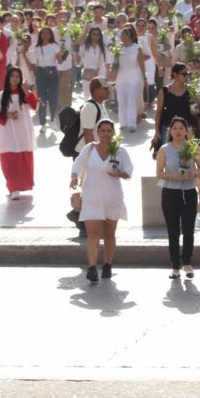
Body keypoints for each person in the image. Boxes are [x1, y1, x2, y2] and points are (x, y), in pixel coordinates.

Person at [71, 119, 133, 282]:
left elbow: (129, 171)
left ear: (113, 133)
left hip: (113, 198)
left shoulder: (120, 151)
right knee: (93, 234)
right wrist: (74, 177)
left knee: (109, 234)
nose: (106, 133)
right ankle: (92, 267)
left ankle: (107, 264)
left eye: (109, 130)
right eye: (103, 130)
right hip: (92, 198)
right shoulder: (89, 149)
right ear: (97, 132)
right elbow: (77, 164)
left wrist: (119, 174)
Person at [156, 117, 200, 279]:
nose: (178, 131)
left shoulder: (193, 147)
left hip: (189, 192)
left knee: (188, 229)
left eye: (181, 128)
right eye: (175, 128)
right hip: (170, 193)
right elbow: (159, 173)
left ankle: (187, 262)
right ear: (170, 131)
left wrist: (194, 173)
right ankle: (175, 266)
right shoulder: (164, 149)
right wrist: (173, 176)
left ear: (186, 131)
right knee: (173, 231)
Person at [0, 66, 39, 199]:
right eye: (12, 76)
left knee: (22, 162)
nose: (14, 79)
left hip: (23, 132)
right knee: (8, 162)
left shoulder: (25, 94)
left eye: (17, 77)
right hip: (7, 133)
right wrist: (7, 115)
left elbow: (34, 106)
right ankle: (13, 188)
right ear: (8, 78)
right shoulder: (1, 96)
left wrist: (26, 91)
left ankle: (20, 185)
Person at [113, 25, 148, 132]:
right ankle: (123, 123)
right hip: (121, 78)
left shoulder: (137, 47)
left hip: (134, 78)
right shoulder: (118, 48)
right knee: (121, 100)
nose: (122, 37)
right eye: (121, 35)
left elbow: (141, 64)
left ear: (130, 36)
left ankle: (132, 124)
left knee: (131, 101)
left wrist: (144, 77)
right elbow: (115, 64)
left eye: (124, 35)